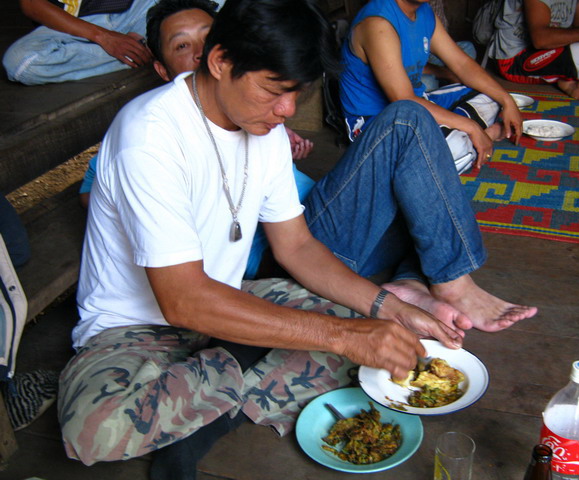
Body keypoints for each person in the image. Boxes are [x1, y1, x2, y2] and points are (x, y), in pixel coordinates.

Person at [57, 1, 471, 478]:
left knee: (377, 339)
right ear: (220, 62)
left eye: (297, 92)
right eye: (274, 90)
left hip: (228, 300)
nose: (287, 110)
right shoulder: (148, 137)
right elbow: (182, 301)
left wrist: (387, 308)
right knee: (95, 429)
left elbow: (296, 246)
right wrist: (340, 337)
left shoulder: (264, 128)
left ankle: (204, 408)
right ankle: (237, 372)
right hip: (136, 329)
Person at [77, 0, 314, 210]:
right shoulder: (151, 134)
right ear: (163, 70)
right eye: (182, 45)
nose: (201, 52)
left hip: (299, 214)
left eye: (208, 38)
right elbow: (93, 194)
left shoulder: (252, 116)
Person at [339, 0, 523, 172]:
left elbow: (462, 64)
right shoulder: (377, 24)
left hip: (419, 103)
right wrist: (472, 127)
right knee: (451, 150)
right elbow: (403, 101)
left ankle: (458, 139)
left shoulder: (424, 12)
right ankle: (474, 137)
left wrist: (507, 101)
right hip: (377, 124)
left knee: (490, 96)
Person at [488, 0, 579, 101]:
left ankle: (569, 79)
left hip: (551, 47)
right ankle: (569, 80)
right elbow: (540, 40)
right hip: (516, 59)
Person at [3, 0, 160, 85]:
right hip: (72, 26)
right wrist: (104, 37)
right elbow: (31, 4)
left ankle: (145, 46)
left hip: (134, 10)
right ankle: (147, 48)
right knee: (20, 64)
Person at [421, 0, 477, 92]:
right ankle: (445, 81)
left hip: (432, 50)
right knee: (428, 83)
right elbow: (410, 64)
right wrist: (448, 74)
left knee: (468, 48)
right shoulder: (397, 15)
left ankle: (446, 82)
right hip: (417, 62)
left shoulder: (428, 10)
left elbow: (440, 37)